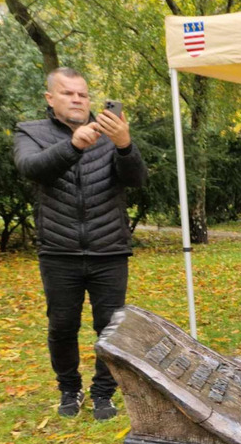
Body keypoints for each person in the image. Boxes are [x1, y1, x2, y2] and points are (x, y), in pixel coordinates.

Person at [14, 67, 148, 421]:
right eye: (68, 93)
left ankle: (104, 392)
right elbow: (30, 168)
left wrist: (125, 145)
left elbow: (137, 179)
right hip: (59, 251)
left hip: (109, 249)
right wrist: (73, 145)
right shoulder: (30, 132)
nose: (77, 100)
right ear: (50, 98)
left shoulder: (110, 132)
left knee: (111, 328)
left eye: (82, 94)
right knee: (62, 326)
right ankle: (69, 387)